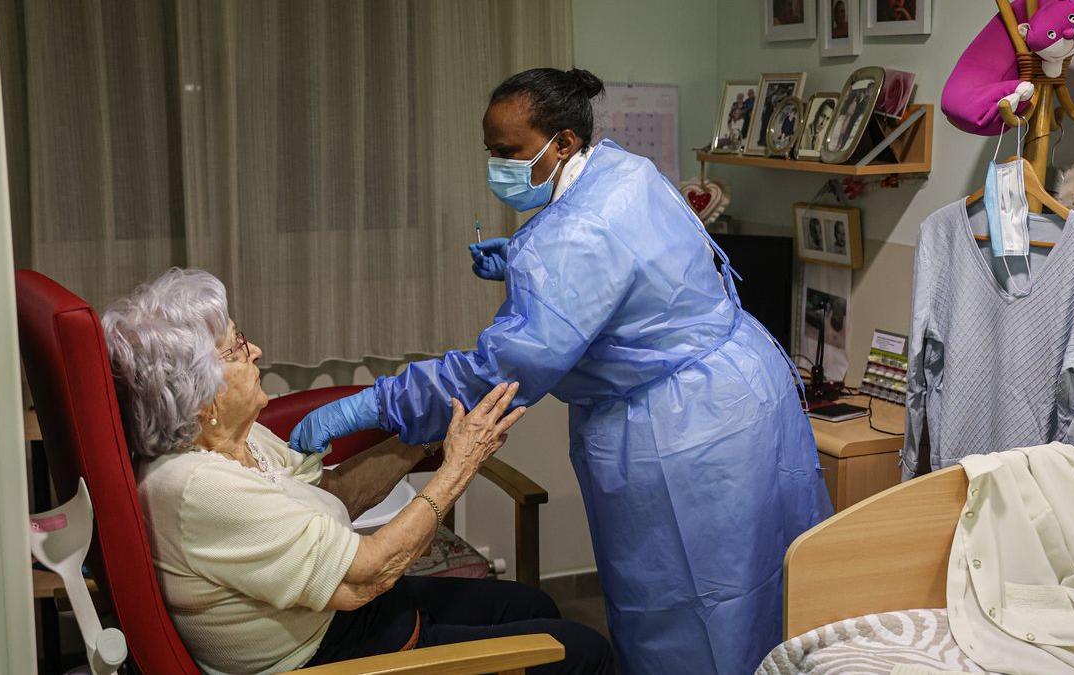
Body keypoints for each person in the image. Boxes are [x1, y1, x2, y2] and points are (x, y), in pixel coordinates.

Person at [290, 67, 830, 674]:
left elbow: (502, 368)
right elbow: (632, 262)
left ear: (565, 142)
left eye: (509, 152)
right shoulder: (625, 168)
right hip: (742, 390)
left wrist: (377, 403)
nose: (497, 165)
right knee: (769, 573)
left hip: (680, 431)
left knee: (687, 602)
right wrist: (522, 255)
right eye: (490, 151)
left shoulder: (574, 236)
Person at [102, 268, 612, 675]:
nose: (255, 351)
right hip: (339, 654)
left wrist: (423, 442)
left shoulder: (235, 438)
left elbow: (333, 494)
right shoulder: (202, 490)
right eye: (238, 348)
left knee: (533, 602)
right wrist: (459, 466)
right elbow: (367, 574)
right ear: (204, 392)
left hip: (353, 615)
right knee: (583, 651)